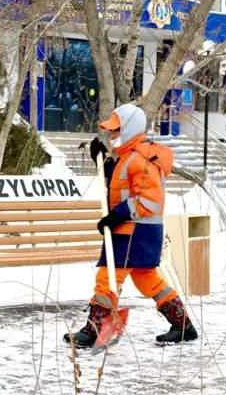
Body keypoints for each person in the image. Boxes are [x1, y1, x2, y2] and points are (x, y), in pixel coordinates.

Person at [63, 103, 198, 346]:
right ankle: (182, 325)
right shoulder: (129, 157)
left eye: (116, 130)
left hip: (134, 230)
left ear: (130, 129)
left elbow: (149, 199)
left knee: (108, 277)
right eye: (111, 131)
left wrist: (117, 216)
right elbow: (120, 187)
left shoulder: (142, 159)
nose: (112, 135)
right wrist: (102, 161)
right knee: (147, 279)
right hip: (135, 231)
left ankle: (95, 328)